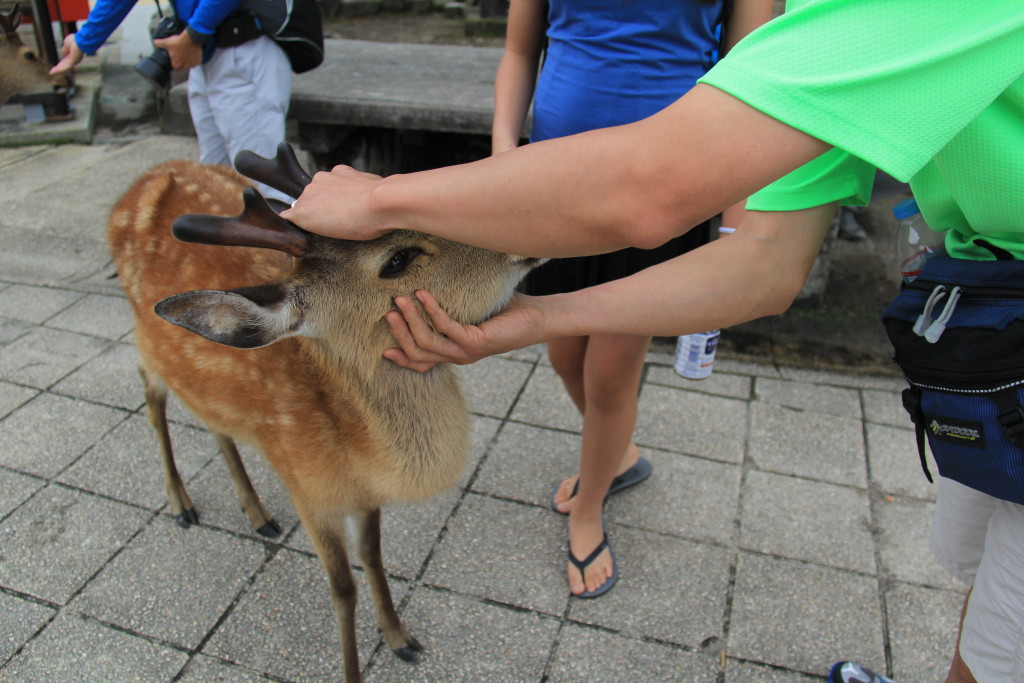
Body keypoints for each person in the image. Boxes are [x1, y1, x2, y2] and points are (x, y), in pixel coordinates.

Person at [283, 1, 1024, 680]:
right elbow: (765, 262)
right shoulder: (826, 21)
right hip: (983, 334)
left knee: (1005, 644)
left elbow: (652, 192)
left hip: (639, 198)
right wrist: (538, 316)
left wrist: (381, 197)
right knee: (982, 573)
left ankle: (595, 499)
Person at [491, 0, 771, 598]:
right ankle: (617, 455)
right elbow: (520, 50)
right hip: (555, 185)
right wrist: (502, 156)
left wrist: (733, 226)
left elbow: (751, 74)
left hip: (665, 190)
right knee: (564, 355)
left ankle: (590, 507)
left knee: (610, 373)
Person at [50, 0, 292, 203]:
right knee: (217, 182)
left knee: (266, 188)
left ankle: (282, 259)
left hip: (240, 50)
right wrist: (86, 39)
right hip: (206, 54)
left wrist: (196, 32)